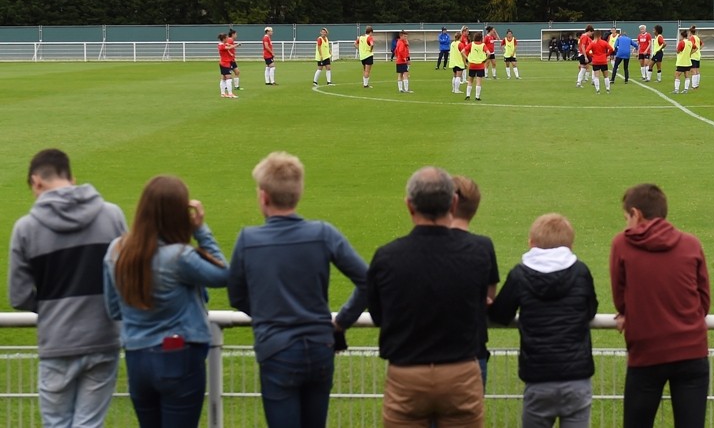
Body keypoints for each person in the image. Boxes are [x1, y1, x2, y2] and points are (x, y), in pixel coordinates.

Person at [227, 151, 368, 428]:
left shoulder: (248, 240)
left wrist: (269, 314)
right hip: (319, 346)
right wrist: (341, 322)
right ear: (298, 193)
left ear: (264, 196)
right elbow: (367, 279)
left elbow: (237, 295)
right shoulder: (323, 233)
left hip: (277, 348)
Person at [8, 148, 127, 428]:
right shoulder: (112, 216)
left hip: (58, 340)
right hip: (103, 337)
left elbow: (19, 296)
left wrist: (52, 309)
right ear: (71, 178)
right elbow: (127, 279)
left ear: (36, 182)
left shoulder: (25, 228)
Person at [367, 166, 490, 427]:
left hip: (407, 374)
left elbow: (380, 314)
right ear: (453, 203)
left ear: (410, 206)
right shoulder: (478, 253)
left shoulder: (387, 257)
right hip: (460, 373)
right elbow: (481, 304)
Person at [103, 176, 228, 428]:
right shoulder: (180, 257)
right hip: (178, 355)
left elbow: (114, 309)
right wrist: (201, 230)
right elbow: (224, 274)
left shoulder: (117, 251)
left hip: (137, 358)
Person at [610, 183, 710, 428]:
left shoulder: (622, 244)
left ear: (636, 214)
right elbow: (704, 300)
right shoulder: (691, 243)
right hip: (692, 352)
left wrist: (630, 312)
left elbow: (620, 297)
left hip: (647, 353)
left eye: (626, 218)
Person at [489, 213, 598, 428]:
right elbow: (591, 310)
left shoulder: (520, 274)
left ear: (531, 243)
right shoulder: (580, 272)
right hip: (576, 378)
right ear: (570, 245)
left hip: (539, 378)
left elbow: (500, 315)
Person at [451, 175, 500, 388]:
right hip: (471, 353)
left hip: (421, 359)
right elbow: (490, 297)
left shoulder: (411, 248)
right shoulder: (483, 247)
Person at [462, 31, 487, 101]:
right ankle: (477, 96)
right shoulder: (483, 45)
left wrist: (468, 58)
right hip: (480, 65)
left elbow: (462, 51)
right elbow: (489, 53)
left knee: (470, 80)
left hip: (472, 65)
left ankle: (468, 95)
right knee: (478, 81)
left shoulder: (471, 44)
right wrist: (485, 59)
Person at [672, 30, 695, 94]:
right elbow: (695, 48)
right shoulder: (690, 42)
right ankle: (686, 89)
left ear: (682, 36)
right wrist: (690, 53)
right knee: (687, 75)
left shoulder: (681, 42)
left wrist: (677, 49)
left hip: (681, 62)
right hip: (688, 62)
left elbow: (678, 51)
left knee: (677, 75)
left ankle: (676, 90)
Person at [218, 33, 238, 98]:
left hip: (224, 63)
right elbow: (229, 47)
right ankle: (230, 93)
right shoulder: (221, 45)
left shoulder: (222, 44)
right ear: (224, 39)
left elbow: (228, 45)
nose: (227, 39)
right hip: (225, 63)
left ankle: (223, 93)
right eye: (226, 38)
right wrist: (236, 45)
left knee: (223, 78)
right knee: (229, 78)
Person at [688, 25, 703, 90]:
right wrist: (699, 49)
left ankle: (694, 86)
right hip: (698, 55)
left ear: (690, 32)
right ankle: (696, 85)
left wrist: (690, 52)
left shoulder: (692, 38)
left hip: (693, 56)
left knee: (693, 70)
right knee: (697, 70)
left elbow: (692, 45)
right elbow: (702, 44)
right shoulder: (697, 37)